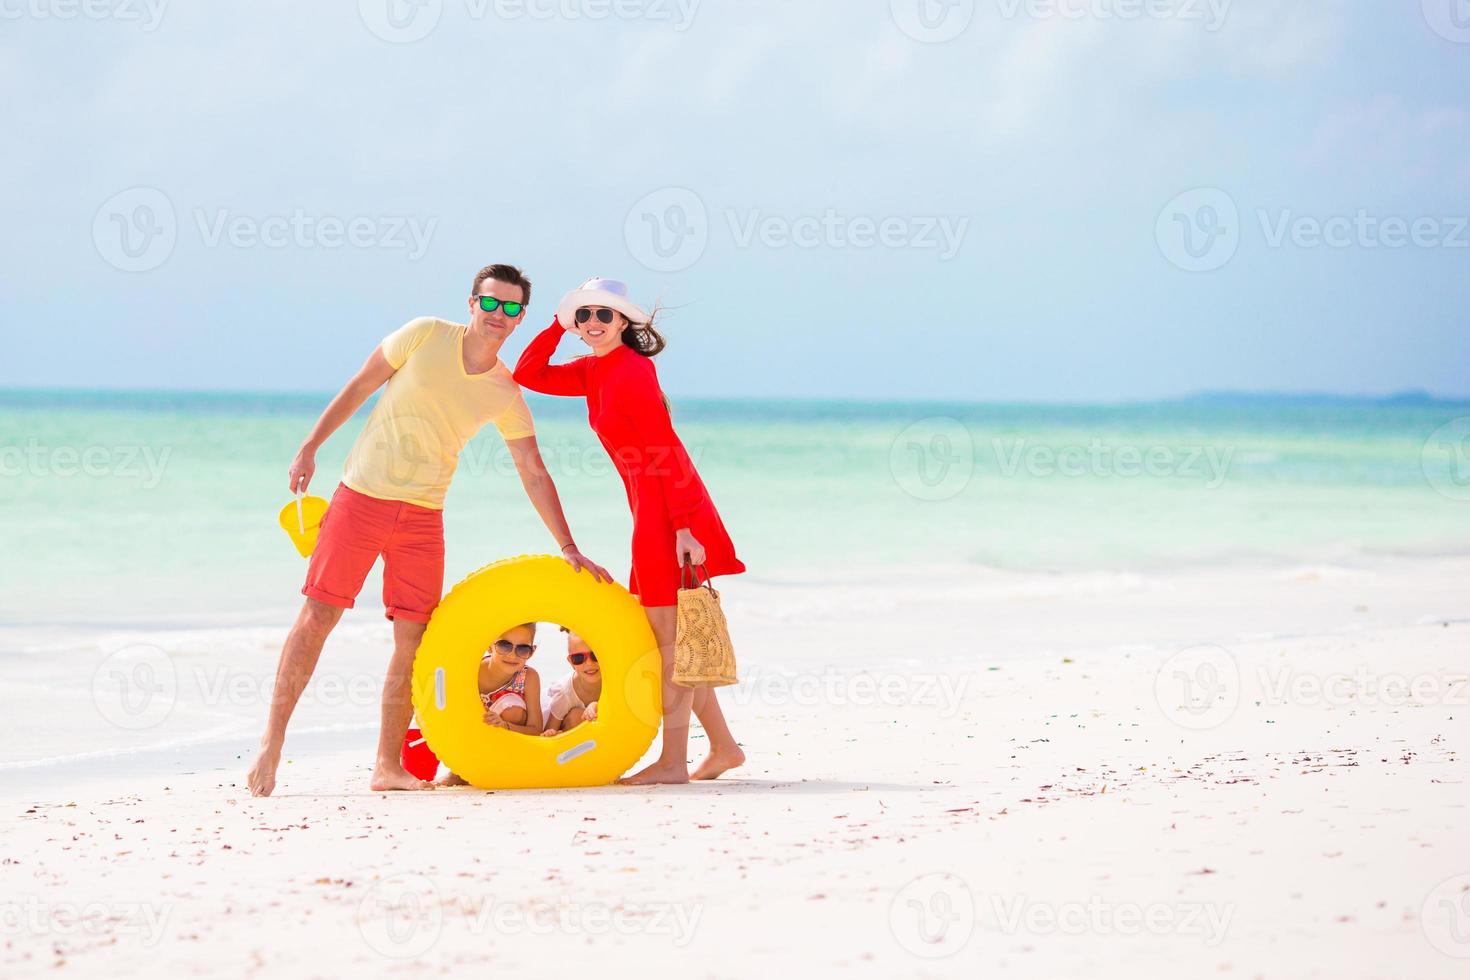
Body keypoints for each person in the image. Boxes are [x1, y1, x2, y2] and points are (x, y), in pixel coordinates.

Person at [246, 264, 612, 797]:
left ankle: (386, 766)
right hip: (361, 499)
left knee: (413, 640)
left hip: (422, 517)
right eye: (491, 303)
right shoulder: (423, 334)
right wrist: (310, 446)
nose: (498, 315)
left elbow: (533, 470)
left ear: (520, 319)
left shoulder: (503, 391)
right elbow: (360, 385)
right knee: (318, 616)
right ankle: (271, 746)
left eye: (511, 309)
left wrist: (568, 545)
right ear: (471, 303)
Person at [513, 278, 745, 784]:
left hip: (670, 511)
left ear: (624, 322)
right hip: (650, 510)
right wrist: (557, 321)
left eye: (604, 314)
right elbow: (527, 373)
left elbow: (666, 446)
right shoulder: (591, 370)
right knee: (671, 641)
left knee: (666, 647)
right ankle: (723, 748)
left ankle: (672, 763)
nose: (593, 323)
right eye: (585, 316)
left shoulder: (634, 369)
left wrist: (684, 524)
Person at [541, 628, 601, 735]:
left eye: (595, 655)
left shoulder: (613, 680)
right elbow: (548, 731)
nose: (589, 663)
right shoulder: (564, 694)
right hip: (555, 716)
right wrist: (553, 734)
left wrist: (597, 706)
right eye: (578, 658)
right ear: (571, 662)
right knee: (577, 716)